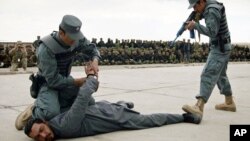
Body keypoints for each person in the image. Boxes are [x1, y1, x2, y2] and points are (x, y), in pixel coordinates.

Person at [24, 67, 201, 141]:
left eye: (41, 131)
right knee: (137, 114)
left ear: (45, 123)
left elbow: (84, 95)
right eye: (37, 138)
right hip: (105, 110)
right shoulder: (57, 125)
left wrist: (92, 77)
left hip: (107, 112)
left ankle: (184, 117)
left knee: (146, 119)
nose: (43, 137)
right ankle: (184, 117)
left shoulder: (63, 125)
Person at [15, 15, 101, 130]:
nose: (75, 40)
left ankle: (54, 103)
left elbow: (92, 49)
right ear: (61, 33)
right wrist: (78, 82)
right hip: (48, 84)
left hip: (66, 80)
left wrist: (95, 61)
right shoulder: (45, 48)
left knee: (89, 104)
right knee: (50, 114)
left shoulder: (76, 39)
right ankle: (35, 110)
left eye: (76, 37)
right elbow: (53, 81)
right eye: (72, 37)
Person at [182, 0, 236, 120]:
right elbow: (203, 16)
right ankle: (229, 102)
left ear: (201, 2)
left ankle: (199, 107)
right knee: (220, 75)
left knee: (208, 73)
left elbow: (212, 32)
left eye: (195, 6)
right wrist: (194, 17)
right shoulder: (211, 6)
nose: (195, 9)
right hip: (223, 46)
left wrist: (195, 25)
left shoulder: (211, 10)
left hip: (219, 48)